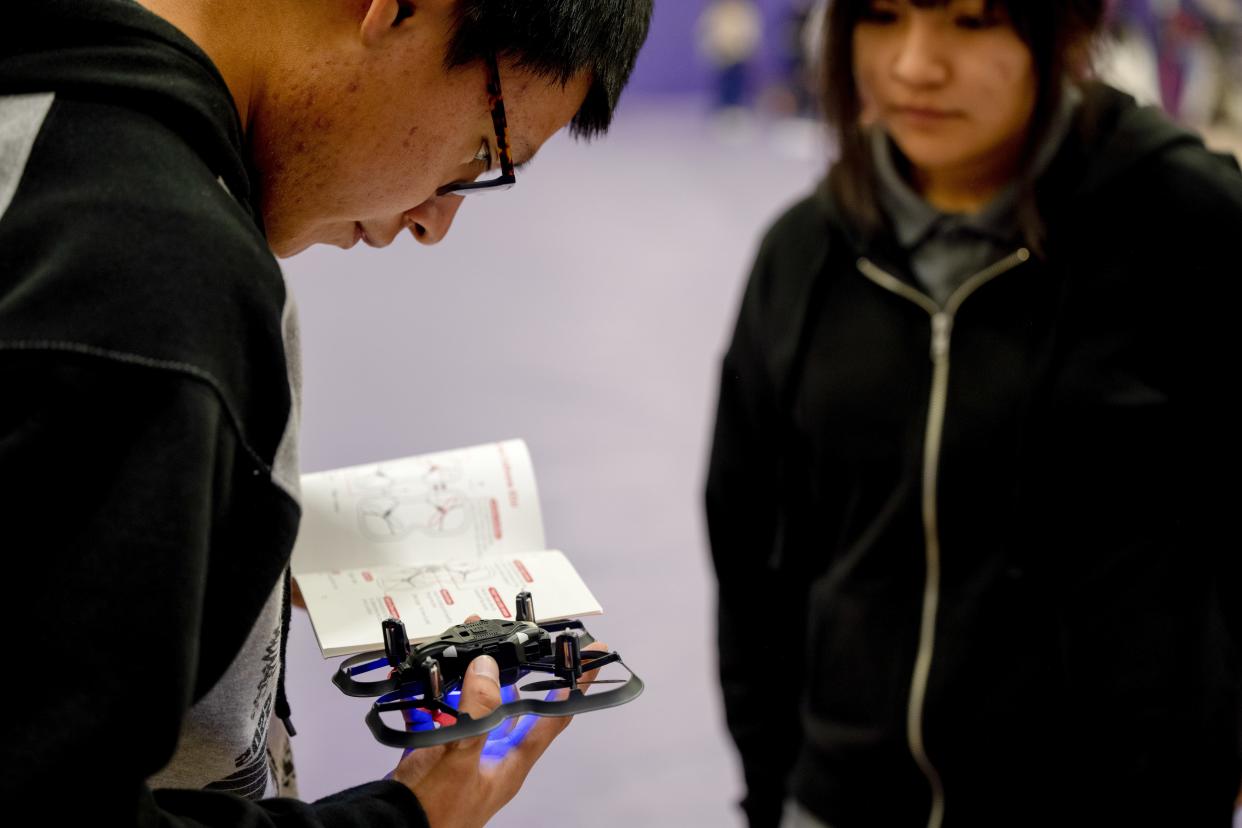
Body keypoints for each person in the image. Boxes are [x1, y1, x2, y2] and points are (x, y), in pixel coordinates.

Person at [0, 0, 649, 825]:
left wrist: (212, 514)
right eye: (484, 152)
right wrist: (406, 819)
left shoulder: (52, 128)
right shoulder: (153, 266)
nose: (434, 222)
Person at [705, 1, 1242, 826]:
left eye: (973, 19)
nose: (917, 64)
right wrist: (776, 789)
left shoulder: (1191, 227)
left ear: (1063, 28)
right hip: (842, 801)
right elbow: (752, 560)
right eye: (883, 16)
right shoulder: (804, 255)